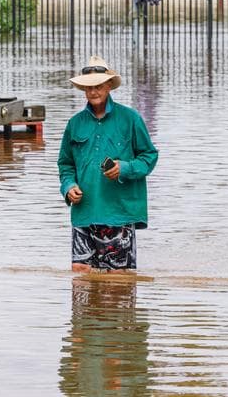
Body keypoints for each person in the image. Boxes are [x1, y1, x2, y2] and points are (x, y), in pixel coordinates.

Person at [57, 55, 158, 271]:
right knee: (80, 275)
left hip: (119, 213)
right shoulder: (74, 124)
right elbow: (65, 165)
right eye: (88, 87)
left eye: (98, 86)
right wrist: (68, 187)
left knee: (118, 283)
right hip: (84, 213)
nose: (93, 91)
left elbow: (149, 157)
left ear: (109, 85)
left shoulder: (131, 119)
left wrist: (125, 168)